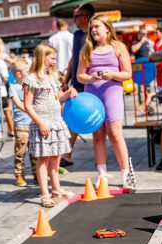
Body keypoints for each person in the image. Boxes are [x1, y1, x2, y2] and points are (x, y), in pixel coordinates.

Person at [77, 14, 133, 188]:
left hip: (112, 93)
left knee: (115, 134)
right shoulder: (86, 49)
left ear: (107, 28)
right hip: (92, 95)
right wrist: (91, 78)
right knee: (98, 135)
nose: (93, 30)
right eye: (91, 27)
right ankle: (102, 175)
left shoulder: (118, 47)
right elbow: (80, 76)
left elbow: (128, 73)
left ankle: (126, 174)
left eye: (97, 26)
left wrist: (112, 75)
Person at [23, 44, 77, 208]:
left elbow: (57, 99)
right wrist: (40, 122)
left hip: (56, 123)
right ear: (42, 57)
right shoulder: (32, 79)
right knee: (43, 159)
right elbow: (28, 105)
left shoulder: (52, 78)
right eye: (52, 58)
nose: (54, 62)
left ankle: (56, 189)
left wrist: (67, 94)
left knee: (55, 157)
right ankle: (45, 193)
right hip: (43, 124)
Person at [61, 3, 95, 168]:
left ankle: (100, 157)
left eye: (76, 16)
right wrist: (66, 78)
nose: (73, 20)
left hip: (90, 83)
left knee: (95, 119)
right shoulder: (76, 36)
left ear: (85, 17)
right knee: (73, 119)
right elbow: (73, 58)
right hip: (76, 83)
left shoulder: (93, 35)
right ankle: (66, 155)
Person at [9, 59, 37, 187]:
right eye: (27, 71)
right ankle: (19, 175)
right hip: (21, 125)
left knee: (35, 151)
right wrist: (29, 109)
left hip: (33, 123)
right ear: (18, 74)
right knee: (20, 152)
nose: (30, 72)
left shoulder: (31, 85)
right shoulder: (13, 87)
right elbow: (18, 103)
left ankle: (37, 174)